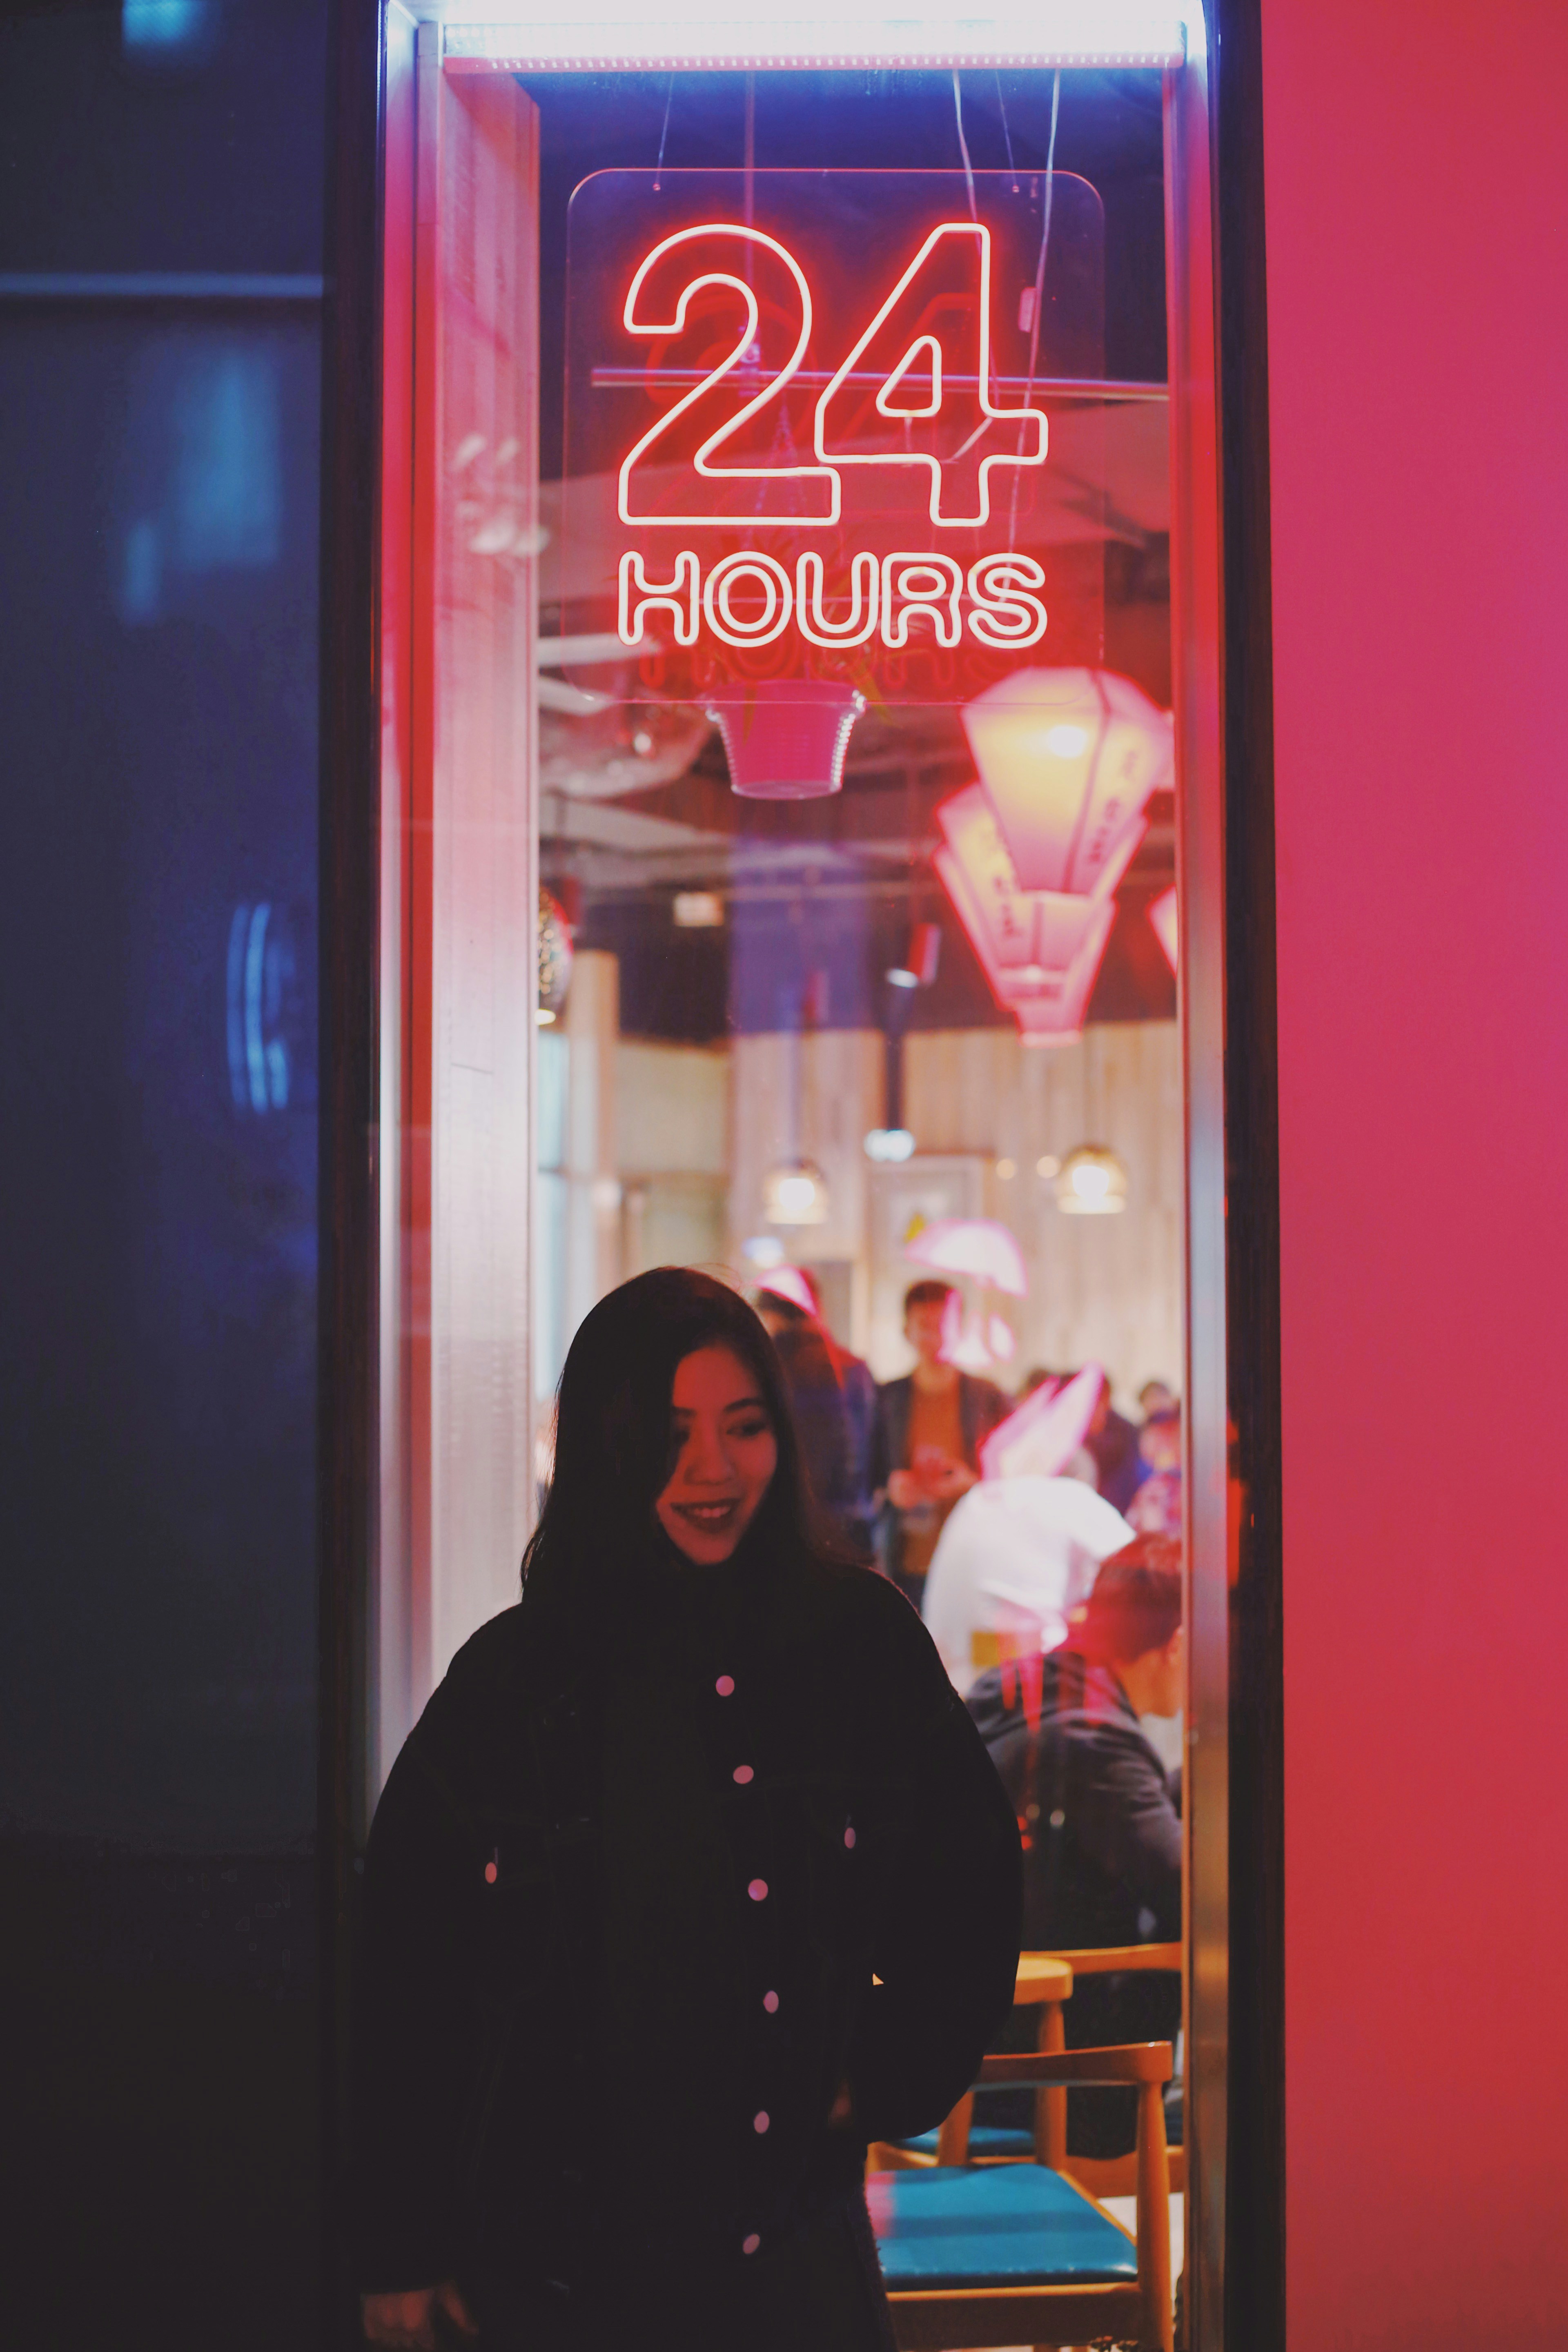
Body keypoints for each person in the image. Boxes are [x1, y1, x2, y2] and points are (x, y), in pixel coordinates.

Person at [356, 1267, 1021, 2352]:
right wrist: (401, 2244)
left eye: (744, 1427)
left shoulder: (858, 1644)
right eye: (668, 1434)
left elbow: (972, 1891)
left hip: (792, 2246)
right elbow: (409, 1962)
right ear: (606, 1449)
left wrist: (873, 2079)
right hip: (555, 2263)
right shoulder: (523, 1675)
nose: (712, 1470)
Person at [965, 1537, 1182, 2158]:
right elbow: (1195, 1898)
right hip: (1047, 2076)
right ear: (1180, 1643)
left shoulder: (1014, 1688)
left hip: (979, 2036)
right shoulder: (1095, 1743)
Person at [871, 1279, 1009, 1604]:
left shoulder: (987, 1398)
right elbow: (869, 1470)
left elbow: (1013, 1477)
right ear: (907, 1331)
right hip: (905, 1561)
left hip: (969, 1557)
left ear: (959, 1329)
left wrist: (971, 1483)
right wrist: (892, 1486)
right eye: (924, 1326)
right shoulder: (887, 1399)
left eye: (943, 1325)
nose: (935, 1336)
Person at [756, 1278, 878, 1560]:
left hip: (787, 1524)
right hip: (853, 1526)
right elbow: (873, 1449)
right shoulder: (853, 1367)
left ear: (773, 1316)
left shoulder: (768, 1367)